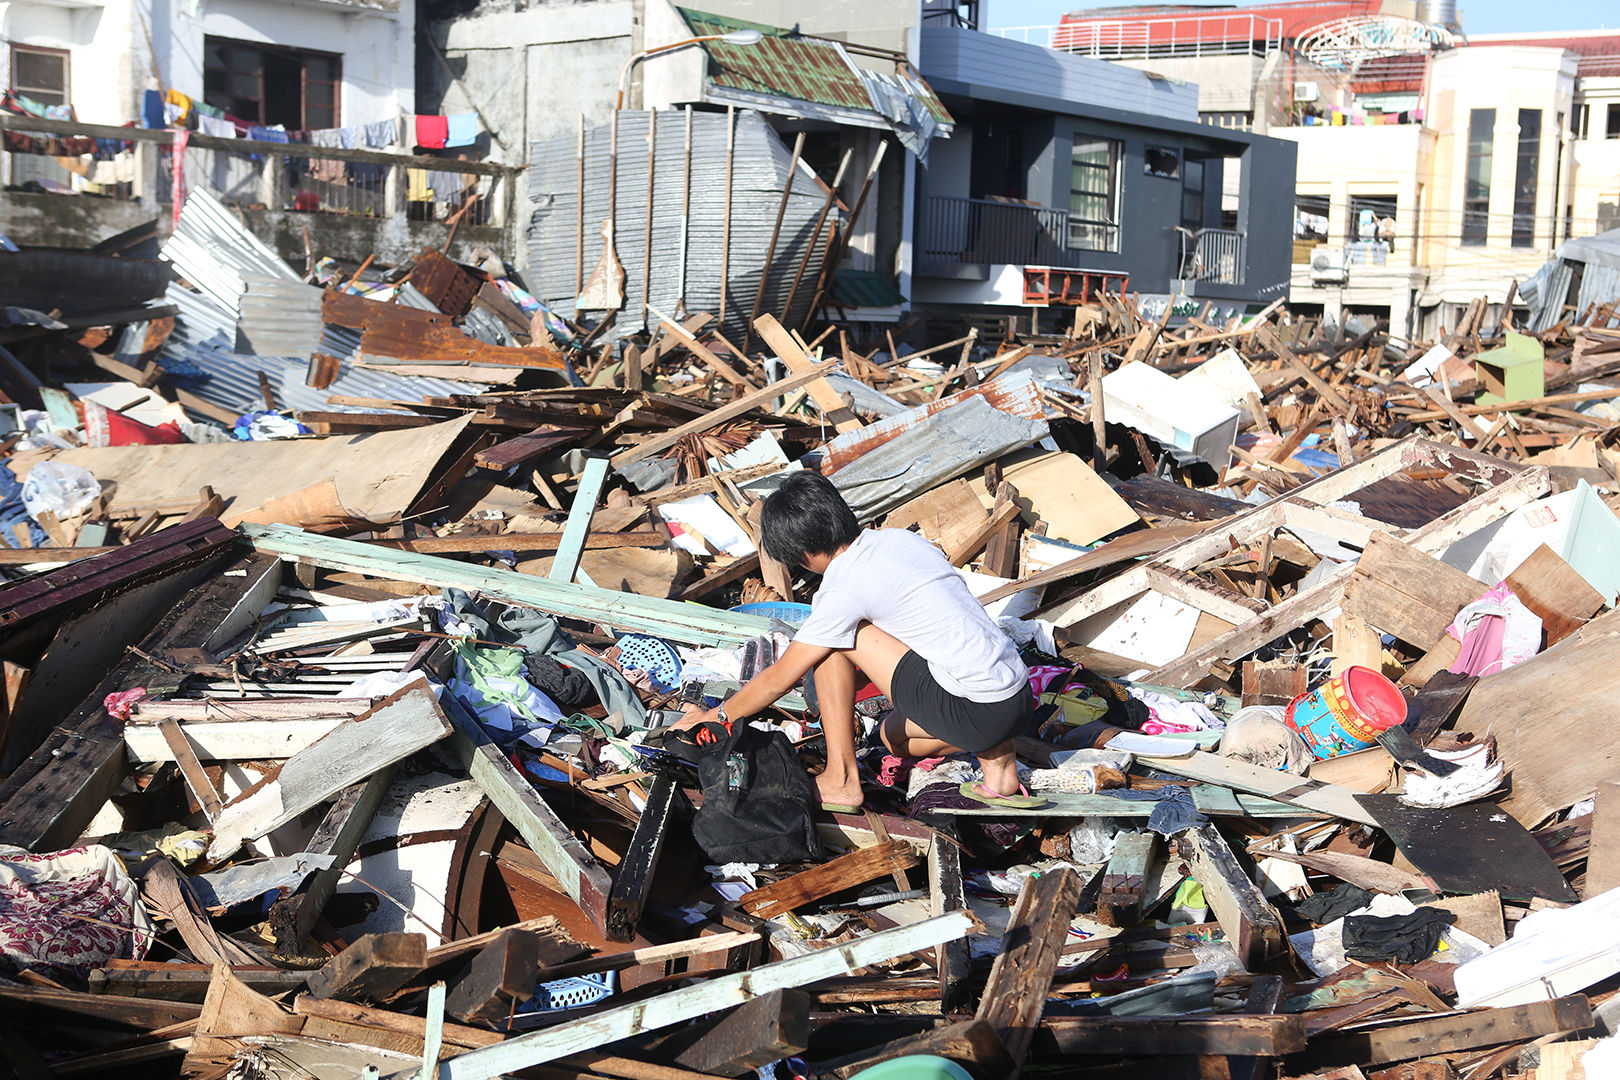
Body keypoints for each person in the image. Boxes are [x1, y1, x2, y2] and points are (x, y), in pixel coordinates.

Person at [674, 471, 1043, 810]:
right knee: (891, 739)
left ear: (801, 553)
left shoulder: (842, 587)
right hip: (1016, 699)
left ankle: (841, 779)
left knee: (830, 642)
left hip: (973, 709)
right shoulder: (901, 540)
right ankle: (1001, 774)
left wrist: (718, 715)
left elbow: (779, 677)